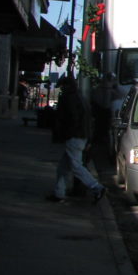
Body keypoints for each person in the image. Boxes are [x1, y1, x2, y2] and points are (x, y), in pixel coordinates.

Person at [47, 76, 106, 204]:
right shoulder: (80, 97)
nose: (61, 89)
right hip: (80, 136)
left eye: (62, 87)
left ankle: (96, 187)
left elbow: (70, 119)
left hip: (74, 136)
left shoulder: (69, 99)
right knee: (63, 167)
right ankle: (59, 193)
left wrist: (64, 133)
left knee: (75, 166)